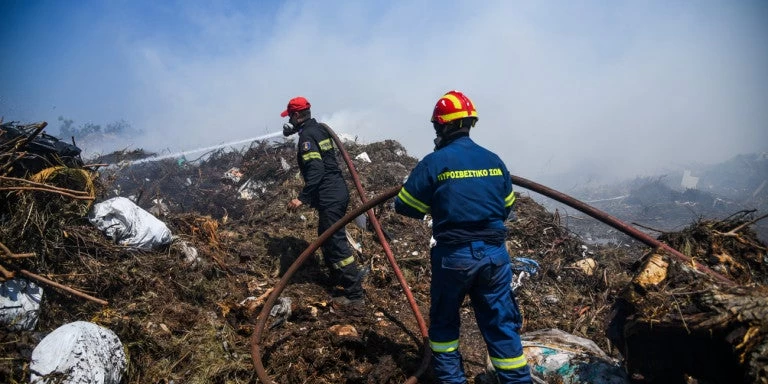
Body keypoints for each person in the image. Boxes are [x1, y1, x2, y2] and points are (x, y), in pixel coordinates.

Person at [394, 91, 531, 383]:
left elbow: (404, 205)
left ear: (441, 126)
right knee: (501, 325)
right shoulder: (493, 160)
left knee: (444, 326)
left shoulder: (435, 162)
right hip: (495, 257)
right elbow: (508, 206)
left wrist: (441, 202)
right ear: (469, 123)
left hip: (454, 257)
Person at [280, 96, 366, 307]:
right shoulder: (318, 129)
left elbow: (316, 170)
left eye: (291, 115)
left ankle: (355, 295)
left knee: (335, 242)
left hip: (330, 195)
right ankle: (338, 279)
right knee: (326, 237)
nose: (289, 119)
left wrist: (302, 198)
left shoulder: (307, 137)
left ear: (297, 115)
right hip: (337, 192)